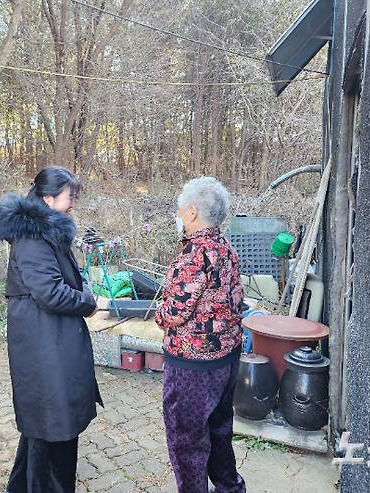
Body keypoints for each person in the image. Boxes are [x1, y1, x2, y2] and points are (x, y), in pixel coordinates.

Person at [0, 165, 101, 493]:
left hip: (48, 339)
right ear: (48, 197)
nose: (72, 204)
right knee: (52, 427)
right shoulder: (32, 236)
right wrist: (88, 302)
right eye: (70, 197)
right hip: (42, 344)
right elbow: (50, 292)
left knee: (46, 426)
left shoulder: (44, 229)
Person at [155, 176, 246, 493]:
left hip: (194, 367)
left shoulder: (195, 255)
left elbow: (172, 312)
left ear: (192, 212)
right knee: (220, 430)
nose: (178, 215)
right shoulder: (226, 247)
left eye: (180, 209)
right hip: (227, 359)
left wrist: (159, 312)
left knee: (187, 442)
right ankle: (231, 488)